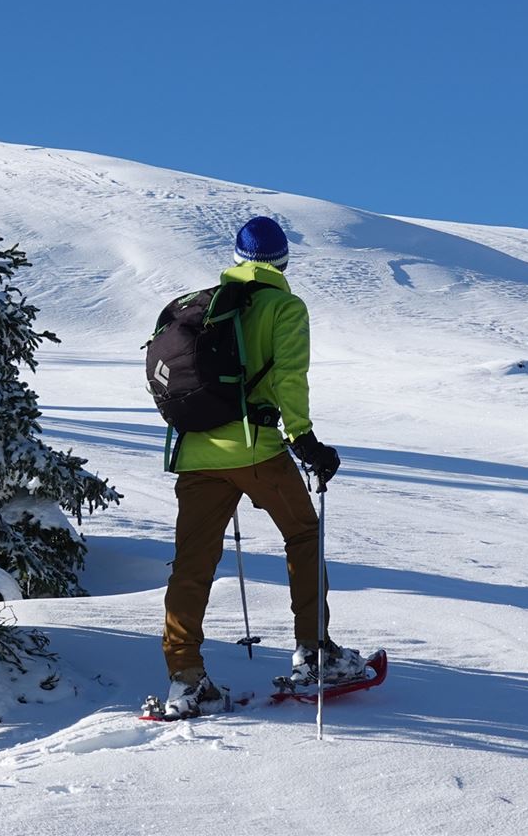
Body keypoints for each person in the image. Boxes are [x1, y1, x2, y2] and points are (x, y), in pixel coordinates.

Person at [159, 215, 368, 718]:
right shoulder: (284, 306)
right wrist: (305, 440)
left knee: (193, 562)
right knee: (302, 534)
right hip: (255, 449)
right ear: (282, 261)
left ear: (236, 258)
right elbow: (291, 378)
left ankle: (185, 678)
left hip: (194, 453)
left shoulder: (197, 305)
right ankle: (314, 650)